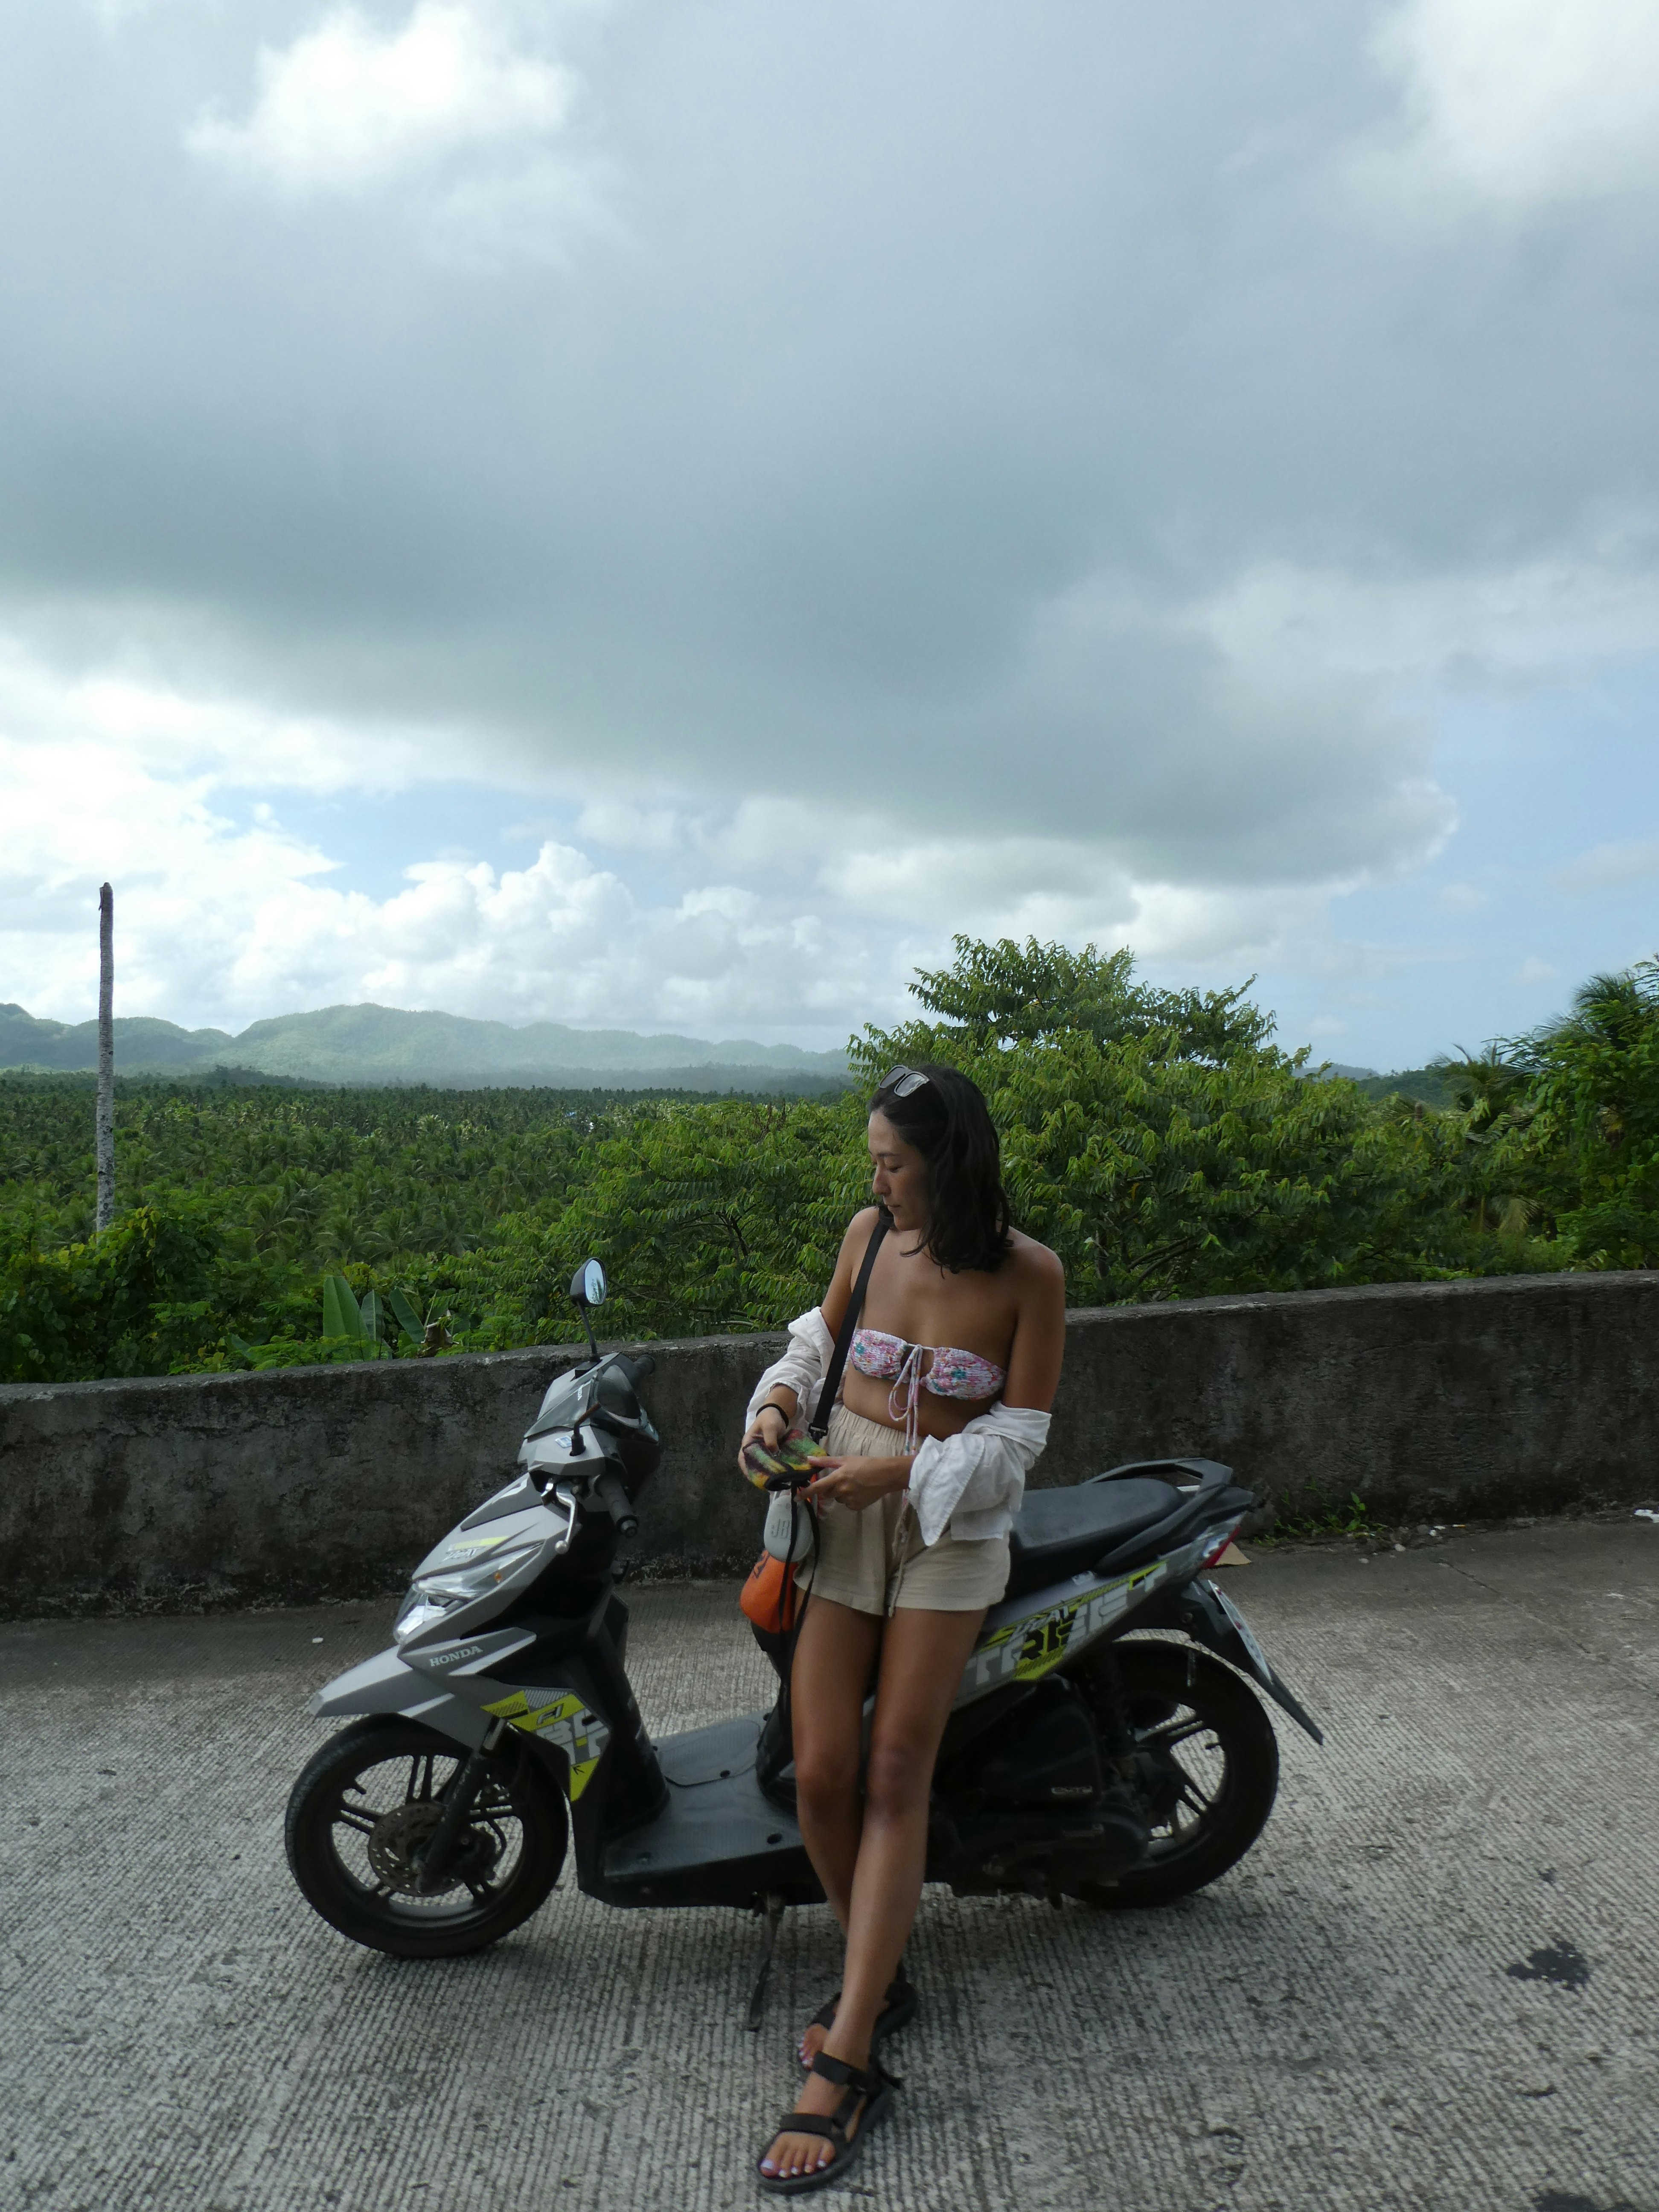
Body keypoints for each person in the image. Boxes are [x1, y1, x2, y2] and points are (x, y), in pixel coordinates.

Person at [738, 1063, 1066, 2192]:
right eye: (874, 1157)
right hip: (842, 1497)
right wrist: (777, 1409)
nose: (876, 1176)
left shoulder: (1031, 1276)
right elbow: (815, 1350)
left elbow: (1019, 1437)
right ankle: (881, 1975)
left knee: (891, 1775)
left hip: (950, 1523)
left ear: (951, 1163)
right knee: (820, 1772)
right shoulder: (871, 1236)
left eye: (894, 1160)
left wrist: (907, 1476)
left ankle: (849, 2056)